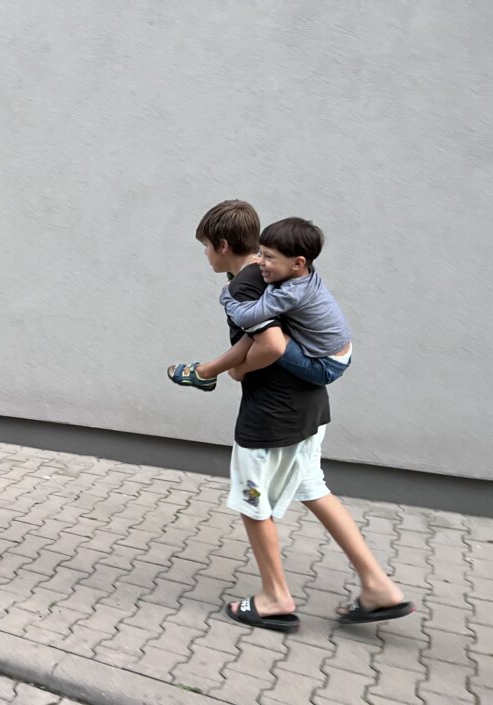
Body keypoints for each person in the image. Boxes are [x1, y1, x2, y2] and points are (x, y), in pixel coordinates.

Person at [170, 199, 412, 632]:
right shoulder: (271, 274)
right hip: (309, 406)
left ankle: (275, 599)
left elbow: (273, 345)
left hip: (273, 416)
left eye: (205, 246)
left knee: (252, 501)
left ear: (222, 245)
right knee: (314, 489)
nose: (204, 254)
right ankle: (379, 587)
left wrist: (236, 370)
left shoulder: (245, 286)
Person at [169, 218, 351, 389]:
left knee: (264, 333)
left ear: (298, 263)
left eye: (269, 257)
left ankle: (208, 372)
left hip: (325, 365)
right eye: (260, 253)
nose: (260, 262)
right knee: (261, 328)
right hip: (337, 351)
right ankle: (207, 372)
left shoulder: (290, 294)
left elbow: (245, 316)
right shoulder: (304, 273)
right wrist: (266, 260)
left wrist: (227, 295)